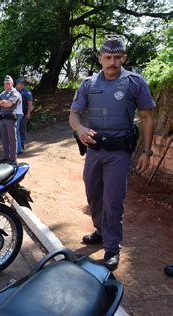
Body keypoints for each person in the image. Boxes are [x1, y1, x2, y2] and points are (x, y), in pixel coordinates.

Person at [69, 35, 155, 271]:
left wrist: (147, 151)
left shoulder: (136, 83)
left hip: (120, 152)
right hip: (95, 150)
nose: (113, 62)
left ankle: (112, 248)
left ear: (124, 57)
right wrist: (80, 128)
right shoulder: (87, 84)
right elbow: (74, 114)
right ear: (100, 59)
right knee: (93, 193)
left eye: (118, 57)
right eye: (108, 57)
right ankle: (100, 230)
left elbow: (147, 117)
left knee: (113, 200)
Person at [0, 75, 22, 164]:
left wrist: (1, 102)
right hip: (2, 119)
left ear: (12, 83)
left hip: (10, 119)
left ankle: (13, 159)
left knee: (12, 139)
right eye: (5, 83)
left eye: (8, 83)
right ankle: (6, 157)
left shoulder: (15, 93)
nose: (6, 85)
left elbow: (9, 104)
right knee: (4, 139)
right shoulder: (3, 93)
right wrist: (3, 102)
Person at [16, 77, 33, 152]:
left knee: (22, 129)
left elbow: (30, 103)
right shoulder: (15, 92)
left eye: (18, 84)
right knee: (16, 130)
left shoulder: (26, 92)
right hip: (16, 114)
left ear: (22, 85)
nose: (16, 85)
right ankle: (17, 145)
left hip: (23, 114)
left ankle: (21, 145)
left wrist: (29, 113)